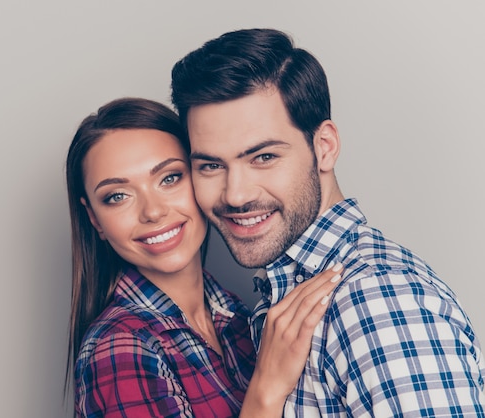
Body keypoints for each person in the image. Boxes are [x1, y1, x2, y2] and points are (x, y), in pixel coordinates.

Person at [170, 28, 485, 416]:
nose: (235, 194)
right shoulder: (291, 295)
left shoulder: (374, 301)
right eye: (211, 165)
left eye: (264, 157)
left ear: (325, 147)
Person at [66, 97, 344, 417]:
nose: (153, 211)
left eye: (170, 178)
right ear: (95, 219)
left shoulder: (237, 316)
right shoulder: (120, 349)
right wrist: (267, 389)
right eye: (117, 196)